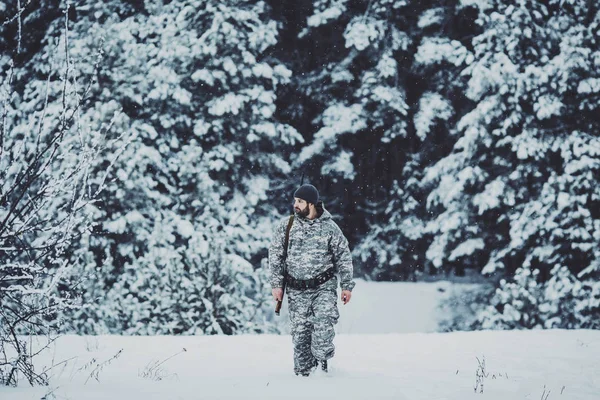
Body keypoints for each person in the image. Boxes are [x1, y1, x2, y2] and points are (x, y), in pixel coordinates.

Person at [269, 183, 355, 376]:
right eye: (295, 201)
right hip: (296, 290)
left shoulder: (330, 227)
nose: (295, 205)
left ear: (312, 204)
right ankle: (304, 378)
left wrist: (347, 286)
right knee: (300, 337)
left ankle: (323, 372)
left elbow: (343, 256)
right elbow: (275, 256)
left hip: (323, 288)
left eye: (300, 202)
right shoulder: (287, 225)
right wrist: (276, 284)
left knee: (323, 329)